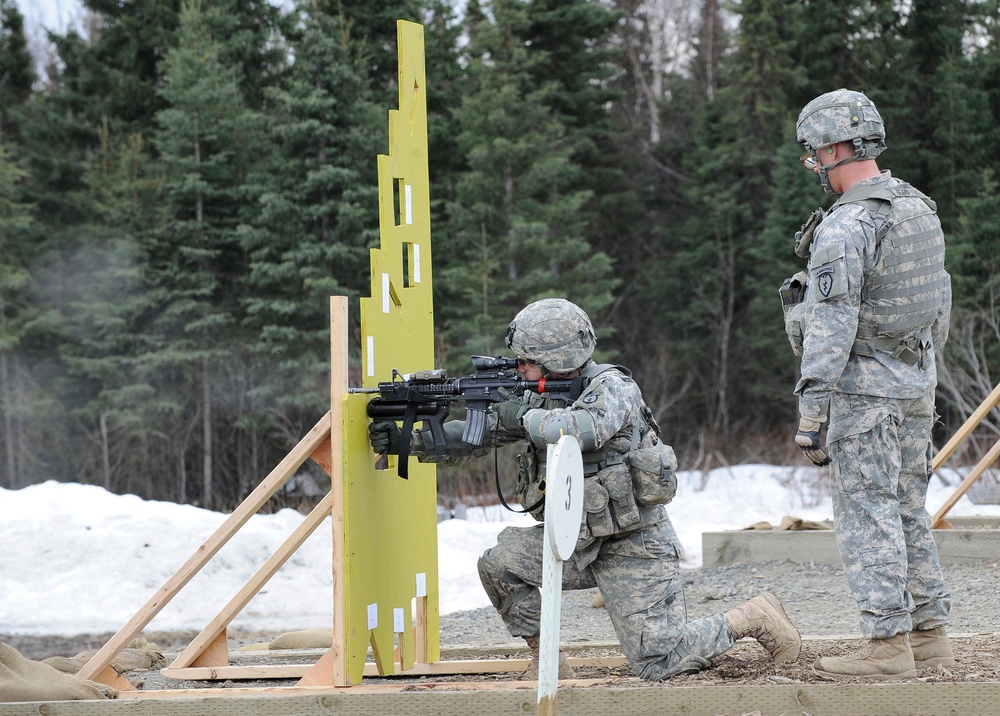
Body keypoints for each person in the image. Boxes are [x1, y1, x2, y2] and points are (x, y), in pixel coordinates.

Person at [369, 298, 800, 681]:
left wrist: (519, 415)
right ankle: (548, 665)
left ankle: (751, 617)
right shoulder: (535, 395)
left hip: (634, 544)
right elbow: (479, 436)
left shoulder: (612, 388)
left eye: (526, 361)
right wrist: (416, 440)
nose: (518, 369)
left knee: (659, 661)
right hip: (574, 543)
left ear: (557, 360)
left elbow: (578, 430)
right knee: (499, 565)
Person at [790, 88, 955, 680]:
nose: (815, 168)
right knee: (908, 504)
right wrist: (918, 372)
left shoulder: (848, 225)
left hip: (864, 392)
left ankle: (887, 645)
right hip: (915, 381)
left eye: (814, 157)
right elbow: (941, 303)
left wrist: (812, 410)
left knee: (867, 512)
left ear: (834, 148)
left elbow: (828, 324)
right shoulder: (916, 206)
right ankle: (930, 631)